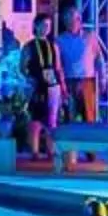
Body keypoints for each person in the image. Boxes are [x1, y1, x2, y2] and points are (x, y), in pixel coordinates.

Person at [20, 11, 64, 159]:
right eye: (43, 25)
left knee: (52, 119)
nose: (46, 28)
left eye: (49, 26)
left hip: (52, 86)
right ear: (36, 26)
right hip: (37, 85)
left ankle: (51, 151)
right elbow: (22, 67)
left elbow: (58, 67)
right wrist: (29, 79)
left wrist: (62, 85)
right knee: (36, 119)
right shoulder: (29, 46)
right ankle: (35, 151)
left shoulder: (53, 46)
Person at [57, 13, 105, 123]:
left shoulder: (90, 36)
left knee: (89, 115)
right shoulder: (60, 40)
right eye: (66, 20)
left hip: (87, 81)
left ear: (79, 20)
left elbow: (99, 58)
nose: (69, 23)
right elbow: (58, 64)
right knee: (70, 115)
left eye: (72, 20)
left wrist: (103, 78)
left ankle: (90, 138)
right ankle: (70, 138)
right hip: (69, 81)